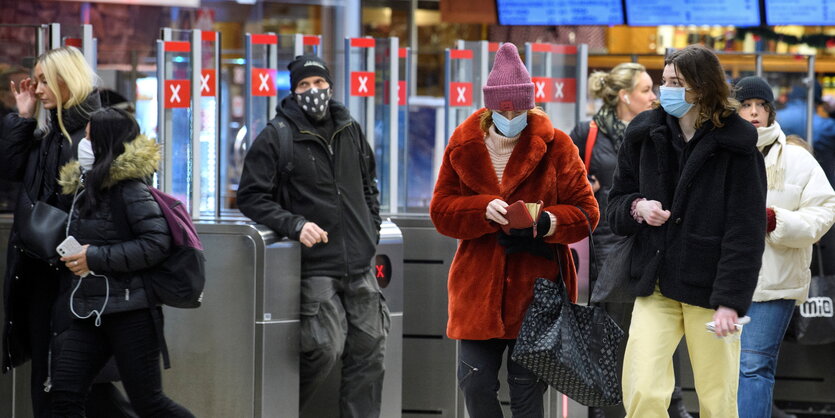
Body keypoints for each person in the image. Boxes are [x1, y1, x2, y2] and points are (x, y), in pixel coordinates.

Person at [429, 43, 599, 417]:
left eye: (518, 108)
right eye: (502, 108)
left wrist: (544, 222)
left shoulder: (557, 146)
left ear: (530, 104)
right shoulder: (463, 144)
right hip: (477, 290)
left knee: (527, 393)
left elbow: (587, 213)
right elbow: (441, 212)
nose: (510, 114)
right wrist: (479, 209)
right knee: (475, 385)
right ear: (490, 106)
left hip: (537, 291)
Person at [607, 44, 767, 418]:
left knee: (716, 400)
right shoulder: (644, 133)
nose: (666, 91)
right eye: (663, 81)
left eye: (676, 82)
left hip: (711, 290)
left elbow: (745, 230)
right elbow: (615, 205)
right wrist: (637, 207)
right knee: (642, 390)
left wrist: (731, 299)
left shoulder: (737, 146)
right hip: (656, 281)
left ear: (702, 87)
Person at [236, 55, 388, 417]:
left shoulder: (349, 129)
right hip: (316, 264)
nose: (313, 91)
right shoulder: (277, 136)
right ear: (294, 91)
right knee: (324, 347)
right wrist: (295, 224)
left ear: (330, 87)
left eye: (319, 84)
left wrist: (372, 228)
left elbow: (369, 184)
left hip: (360, 263)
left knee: (371, 349)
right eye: (304, 85)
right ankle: (282, 409)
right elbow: (251, 196)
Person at [48, 107, 194, 417]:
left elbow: (155, 244)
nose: (82, 144)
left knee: (149, 403)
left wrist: (94, 257)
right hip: (91, 311)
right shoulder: (87, 188)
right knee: (64, 394)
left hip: (131, 311)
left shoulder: (131, 190)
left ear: (105, 142)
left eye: (88, 137)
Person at [570, 63, 691, 418]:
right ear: (624, 96)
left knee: (663, 330)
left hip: (654, 243)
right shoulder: (588, 133)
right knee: (615, 337)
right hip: (608, 249)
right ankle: (607, 408)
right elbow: (562, 181)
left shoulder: (661, 130)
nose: (654, 95)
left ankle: (674, 403)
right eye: (645, 90)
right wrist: (585, 191)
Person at [0, 46, 101, 417]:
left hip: (75, 273)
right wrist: (23, 118)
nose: (37, 89)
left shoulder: (92, 132)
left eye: (44, 80)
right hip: (42, 270)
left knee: (71, 382)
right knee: (48, 377)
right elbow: (10, 171)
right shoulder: (49, 134)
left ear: (66, 80)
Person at [732, 76, 835, 418]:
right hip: (720, 283)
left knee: (752, 367)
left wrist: (776, 221)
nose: (754, 112)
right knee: (722, 371)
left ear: (772, 110)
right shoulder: (716, 152)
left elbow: (824, 211)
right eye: (745, 105)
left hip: (774, 283)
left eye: (761, 105)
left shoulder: (797, 159)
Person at [777, 82, 835, 184]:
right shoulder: (826, 126)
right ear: (816, 102)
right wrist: (833, 113)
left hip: (780, 183)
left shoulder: (774, 119)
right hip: (818, 187)